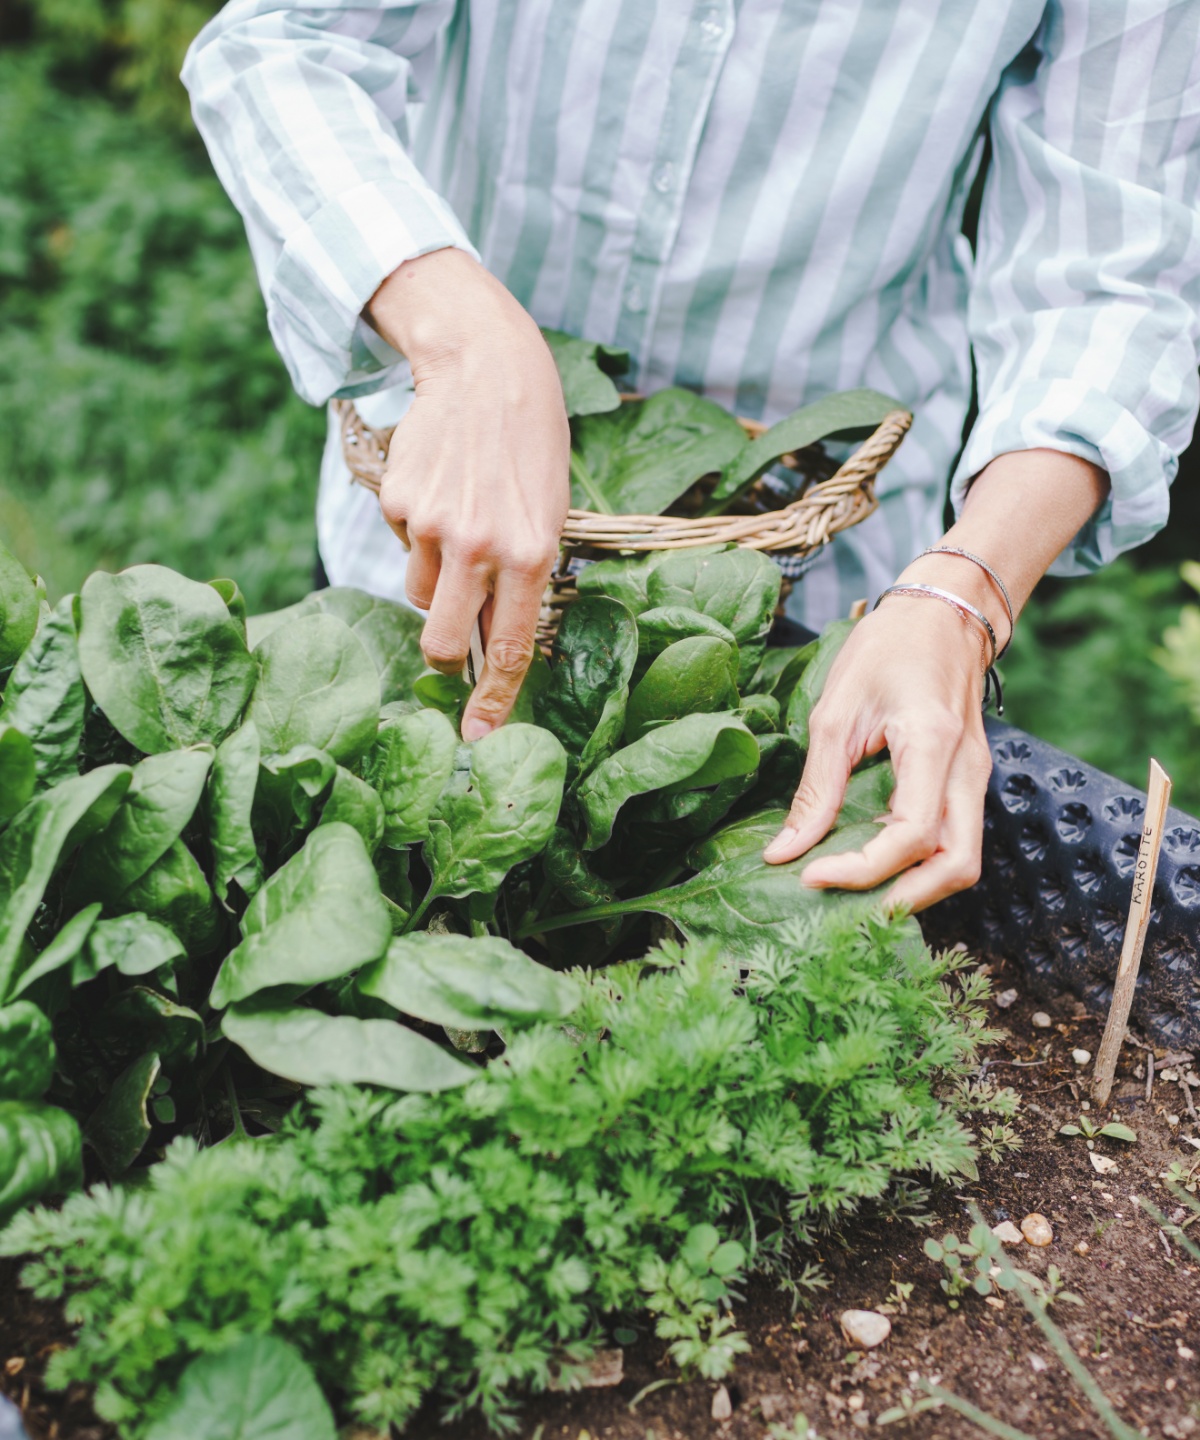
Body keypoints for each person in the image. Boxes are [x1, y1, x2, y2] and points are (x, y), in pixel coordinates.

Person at [183, 1, 1200, 913]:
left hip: (812, 602)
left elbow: (1107, 286)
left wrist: (967, 590)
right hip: (435, 543)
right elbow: (285, 43)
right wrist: (464, 333)